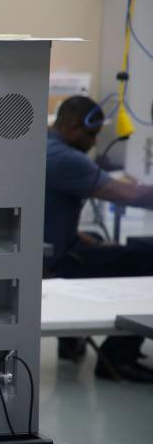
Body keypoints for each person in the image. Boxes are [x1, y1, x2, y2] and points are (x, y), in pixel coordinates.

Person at [45, 95, 153, 382]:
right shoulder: (66, 159)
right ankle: (118, 359)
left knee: (95, 237)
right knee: (147, 257)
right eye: (91, 134)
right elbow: (133, 196)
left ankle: (71, 345)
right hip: (51, 261)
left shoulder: (42, 145)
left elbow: (45, 213)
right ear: (72, 127)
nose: (94, 143)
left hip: (44, 247)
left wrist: (88, 241)